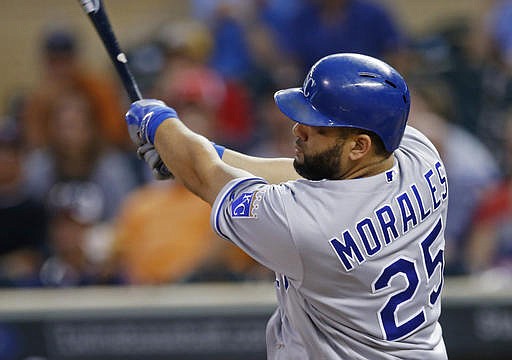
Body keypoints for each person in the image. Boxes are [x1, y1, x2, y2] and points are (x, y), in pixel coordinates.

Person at [124, 53, 448, 358]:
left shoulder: (308, 228)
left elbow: (204, 176)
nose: (298, 129)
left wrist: (159, 122)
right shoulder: (418, 155)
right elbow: (300, 178)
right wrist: (196, 151)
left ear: (359, 146)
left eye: (318, 127)